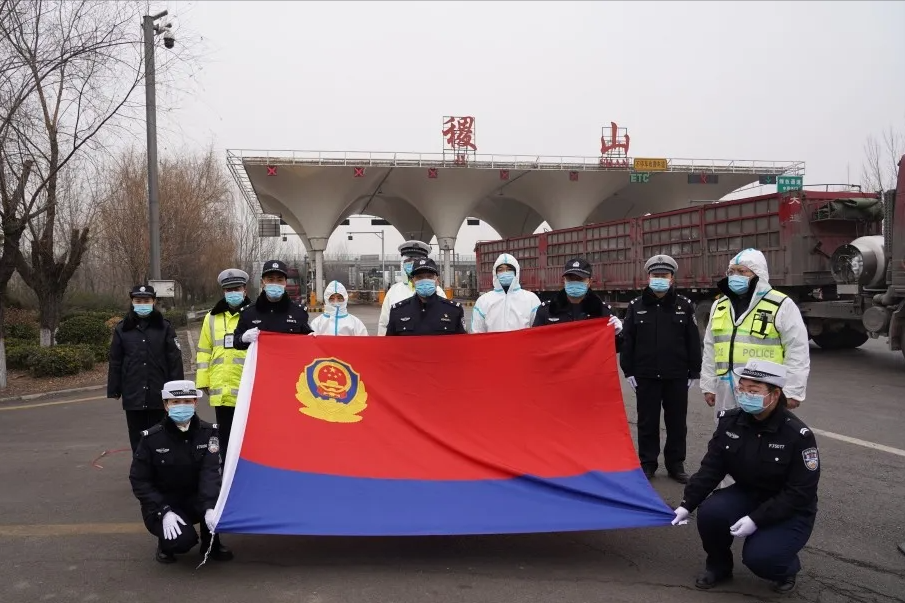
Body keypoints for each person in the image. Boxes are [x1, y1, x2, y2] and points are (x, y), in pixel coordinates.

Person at [671, 360, 819, 595]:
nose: (745, 395)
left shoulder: (797, 436)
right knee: (710, 513)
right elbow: (711, 468)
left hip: (789, 506)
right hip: (749, 493)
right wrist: (687, 504)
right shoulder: (731, 422)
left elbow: (800, 493)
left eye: (754, 391)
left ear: (774, 394)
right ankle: (719, 565)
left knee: (761, 558)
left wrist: (756, 519)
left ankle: (786, 569)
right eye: (742, 389)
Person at [129, 380, 233, 564]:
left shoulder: (209, 433)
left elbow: (210, 472)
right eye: (175, 402)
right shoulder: (151, 439)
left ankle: (212, 543)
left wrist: (210, 507)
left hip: (196, 498)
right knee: (182, 542)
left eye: (187, 401)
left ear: (195, 403)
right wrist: (163, 510)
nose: (182, 406)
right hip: (165, 502)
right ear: (166, 405)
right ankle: (165, 544)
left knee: (217, 502)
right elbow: (139, 480)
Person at [700, 248, 810, 420]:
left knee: (763, 439)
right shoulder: (720, 305)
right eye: (731, 271)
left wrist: (793, 391)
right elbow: (710, 348)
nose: (735, 276)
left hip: (763, 390)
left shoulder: (781, 305)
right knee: (727, 438)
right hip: (725, 389)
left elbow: (797, 349)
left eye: (742, 271)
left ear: (758, 274)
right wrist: (708, 385)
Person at [620, 254, 702, 482]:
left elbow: (693, 340)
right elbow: (629, 340)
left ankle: (676, 465)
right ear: (648, 278)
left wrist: (694, 371)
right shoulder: (636, 306)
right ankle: (647, 464)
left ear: (672, 279)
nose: (659, 279)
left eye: (664, 276)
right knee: (647, 422)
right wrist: (628, 370)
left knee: (676, 423)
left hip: (676, 375)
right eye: (655, 275)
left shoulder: (684, 306)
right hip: (645, 375)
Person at [107, 285, 185, 453]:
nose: (142, 304)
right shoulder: (122, 329)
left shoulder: (164, 327)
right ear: (132, 302)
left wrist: (177, 390)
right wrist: (114, 389)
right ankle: (141, 472)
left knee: (162, 437)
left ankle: (161, 471)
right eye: (138, 301)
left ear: (153, 302)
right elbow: (116, 361)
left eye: (146, 301)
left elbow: (174, 360)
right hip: (133, 393)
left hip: (159, 393)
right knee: (138, 439)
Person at [195, 268, 252, 464]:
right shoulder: (212, 317)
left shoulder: (253, 315)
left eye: (236, 288)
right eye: (229, 290)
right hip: (221, 388)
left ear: (245, 289)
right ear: (223, 292)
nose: (233, 293)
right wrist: (203, 380)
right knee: (225, 436)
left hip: (247, 387)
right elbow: (204, 350)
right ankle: (226, 473)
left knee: (248, 437)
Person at [531, 257, 623, 345]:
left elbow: (612, 349)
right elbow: (535, 343)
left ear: (589, 282)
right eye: (570, 278)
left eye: (579, 279)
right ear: (564, 280)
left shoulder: (603, 312)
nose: (574, 282)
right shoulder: (546, 311)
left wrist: (617, 334)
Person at [233, 260, 313, 349]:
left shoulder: (299, 312)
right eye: (270, 280)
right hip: (260, 362)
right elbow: (236, 342)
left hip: (288, 361)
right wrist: (242, 339)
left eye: (279, 280)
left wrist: (313, 337)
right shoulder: (249, 313)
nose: (275, 283)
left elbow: (308, 344)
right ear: (262, 282)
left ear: (285, 282)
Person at [377, 240, 447, 336]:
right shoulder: (394, 291)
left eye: (417, 260)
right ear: (403, 263)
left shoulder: (438, 291)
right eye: (409, 261)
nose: (413, 263)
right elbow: (384, 325)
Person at [386, 258, 466, 336]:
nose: (425, 280)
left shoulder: (453, 311)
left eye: (429, 276)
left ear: (437, 280)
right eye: (419, 277)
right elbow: (389, 345)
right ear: (413, 281)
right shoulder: (398, 311)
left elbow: (462, 344)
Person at [471, 253, 542, 333]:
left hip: (522, 345)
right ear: (495, 273)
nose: (505, 272)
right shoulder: (483, 301)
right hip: (493, 345)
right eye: (500, 270)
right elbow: (477, 333)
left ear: (516, 272)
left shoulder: (531, 299)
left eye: (509, 269)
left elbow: (538, 332)